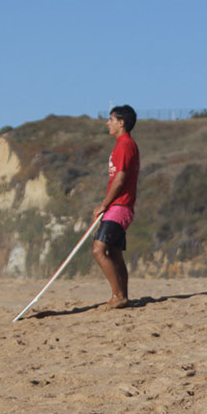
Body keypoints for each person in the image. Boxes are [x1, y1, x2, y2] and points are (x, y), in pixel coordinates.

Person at [92, 105, 140, 310]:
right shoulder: (123, 145)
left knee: (99, 250)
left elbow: (120, 179)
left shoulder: (125, 145)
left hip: (119, 207)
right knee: (114, 252)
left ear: (121, 123)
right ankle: (124, 296)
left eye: (111, 119)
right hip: (120, 206)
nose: (107, 123)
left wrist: (104, 204)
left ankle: (118, 295)